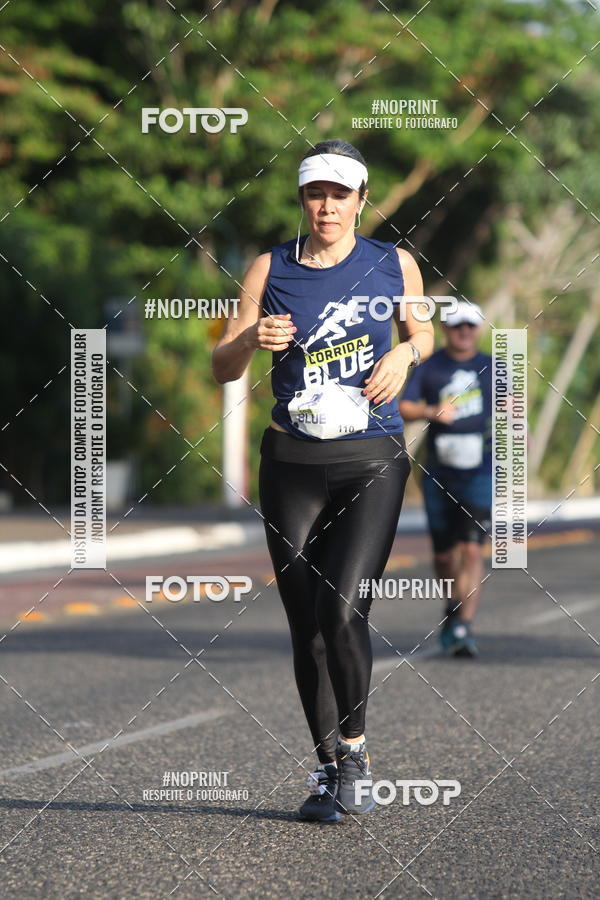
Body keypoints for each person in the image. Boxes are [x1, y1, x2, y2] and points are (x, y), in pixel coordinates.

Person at [212, 139, 433, 823]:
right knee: (305, 624)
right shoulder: (267, 267)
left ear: (362, 200)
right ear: (303, 199)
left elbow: (422, 333)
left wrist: (405, 350)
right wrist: (253, 341)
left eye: (340, 194)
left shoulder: (393, 263)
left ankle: (358, 750)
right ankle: (326, 770)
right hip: (291, 463)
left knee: (342, 610)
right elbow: (222, 366)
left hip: (371, 457)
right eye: (316, 193)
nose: (327, 206)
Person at [399, 301, 492, 658]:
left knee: (471, 547)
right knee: (442, 556)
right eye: (457, 326)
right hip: (438, 472)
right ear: (447, 329)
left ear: (478, 329)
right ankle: (452, 606)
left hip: (479, 472)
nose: (464, 332)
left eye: (470, 326)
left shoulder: (491, 366)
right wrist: (429, 411)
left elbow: (511, 402)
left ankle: (465, 624)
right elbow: (404, 406)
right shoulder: (430, 366)